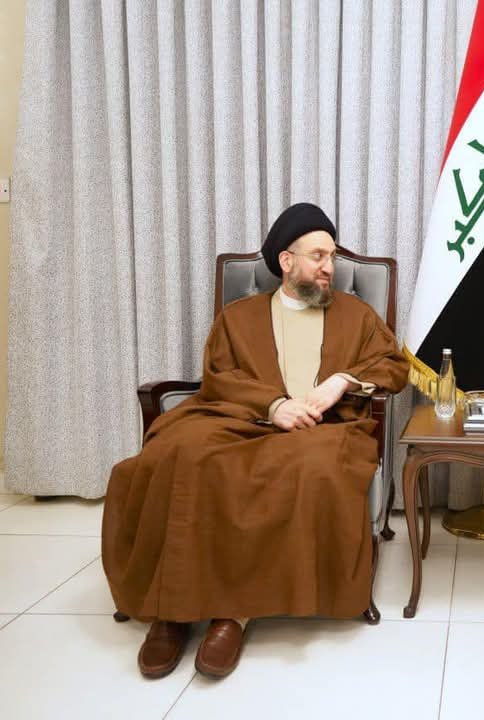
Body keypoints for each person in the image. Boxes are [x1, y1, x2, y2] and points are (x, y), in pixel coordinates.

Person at [102, 203, 409, 679]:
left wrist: (342, 381)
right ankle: (171, 610)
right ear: (286, 261)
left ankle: (234, 612)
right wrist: (273, 405)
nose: (329, 267)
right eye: (318, 256)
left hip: (321, 428)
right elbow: (219, 377)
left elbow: (393, 365)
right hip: (240, 418)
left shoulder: (357, 315)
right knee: (174, 454)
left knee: (301, 467)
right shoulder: (239, 317)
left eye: (331, 257)